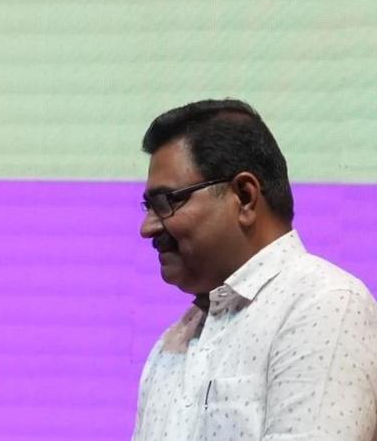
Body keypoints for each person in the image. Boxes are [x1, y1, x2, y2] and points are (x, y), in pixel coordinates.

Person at [133, 99, 377, 440]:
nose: (147, 228)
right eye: (149, 206)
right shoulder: (171, 344)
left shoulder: (325, 304)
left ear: (245, 196)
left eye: (167, 202)